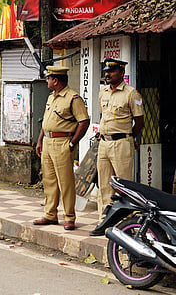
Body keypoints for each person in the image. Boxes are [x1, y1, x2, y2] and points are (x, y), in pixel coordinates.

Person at [90, 58, 144, 236]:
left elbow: (139, 122)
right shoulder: (103, 92)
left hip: (122, 143)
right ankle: (103, 221)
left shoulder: (131, 93)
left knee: (123, 184)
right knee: (104, 184)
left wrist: (129, 138)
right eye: (106, 71)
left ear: (121, 73)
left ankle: (126, 224)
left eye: (111, 71)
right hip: (104, 143)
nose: (107, 74)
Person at [34, 66, 90, 231]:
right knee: (49, 181)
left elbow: (84, 122)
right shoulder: (52, 97)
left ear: (55, 80)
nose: (47, 81)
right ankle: (50, 214)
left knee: (65, 182)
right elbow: (46, 121)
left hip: (62, 143)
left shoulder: (73, 98)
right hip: (48, 142)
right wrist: (40, 141)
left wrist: (72, 143)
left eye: (49, 79)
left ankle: (69, 217)